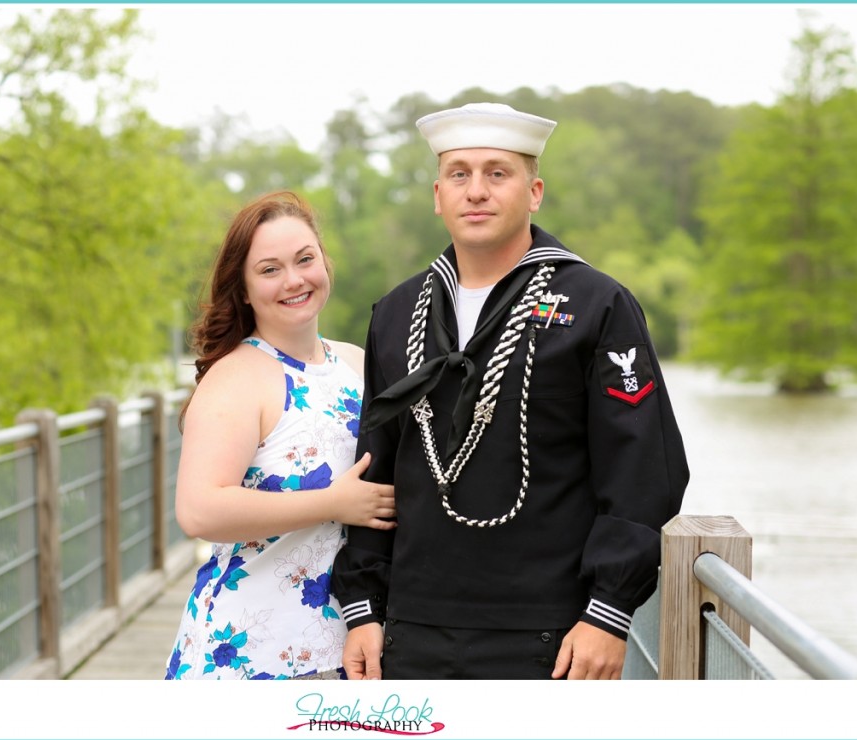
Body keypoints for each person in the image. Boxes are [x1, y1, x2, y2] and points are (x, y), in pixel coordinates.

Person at [331, 102, 689, 680]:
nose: (477, 190)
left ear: (534, 191)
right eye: (460, 174)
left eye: (497, 173)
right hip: (411, 625)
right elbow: (376, 470)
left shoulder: (597, 306)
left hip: (550, 631)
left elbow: (644, 468)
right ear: (438, 194)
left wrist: (609, 612)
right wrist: (362, 609)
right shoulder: (397, 313)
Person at [163, 191, 396, 680]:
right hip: (252, 651)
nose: (294, 280)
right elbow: (199, 510)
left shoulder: (355, 362)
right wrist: (333, 503)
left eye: (305, 259)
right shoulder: (238, 377)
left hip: (344, 645)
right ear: (244, 289)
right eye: (269, 269)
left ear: (324, 262)